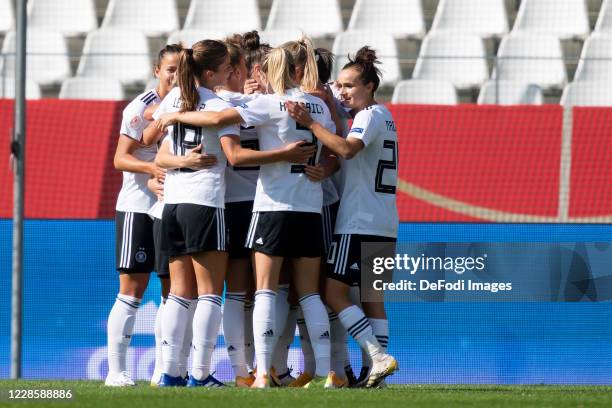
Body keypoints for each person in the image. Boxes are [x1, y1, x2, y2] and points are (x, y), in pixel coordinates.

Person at [158, 47, 336, 389]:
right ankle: (325, 372)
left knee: (189, 294)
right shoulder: (317, 105)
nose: (236, 73)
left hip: (225, 205)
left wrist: (177, 118)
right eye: (228, 67)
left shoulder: (184, 99)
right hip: (301, 205)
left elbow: (166, 138)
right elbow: (334, 149)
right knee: (301, 293)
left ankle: (181, 372)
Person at [286, 46, 399, 388]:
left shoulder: (368, 117)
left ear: (369, 87)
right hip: (384, 221)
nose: (345, 92)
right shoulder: (385, 115)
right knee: (372, 297)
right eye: (342, 85)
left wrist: (309, 124)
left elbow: (348, 148)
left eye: (351, 85)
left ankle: (377, 358)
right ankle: (375, 379)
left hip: (358, 221)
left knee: (334, 294)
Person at [105, 44, 181, 387]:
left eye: (182, 69)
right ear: (157, 71)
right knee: (132, 290)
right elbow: (121, 158)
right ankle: (116, 372)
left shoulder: (187, 105)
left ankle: (161, 371)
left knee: (171, 290)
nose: (176, 75)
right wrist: (152, 168)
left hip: (168, 208)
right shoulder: (141, 107)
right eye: (170, 69)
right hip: (136, 206)